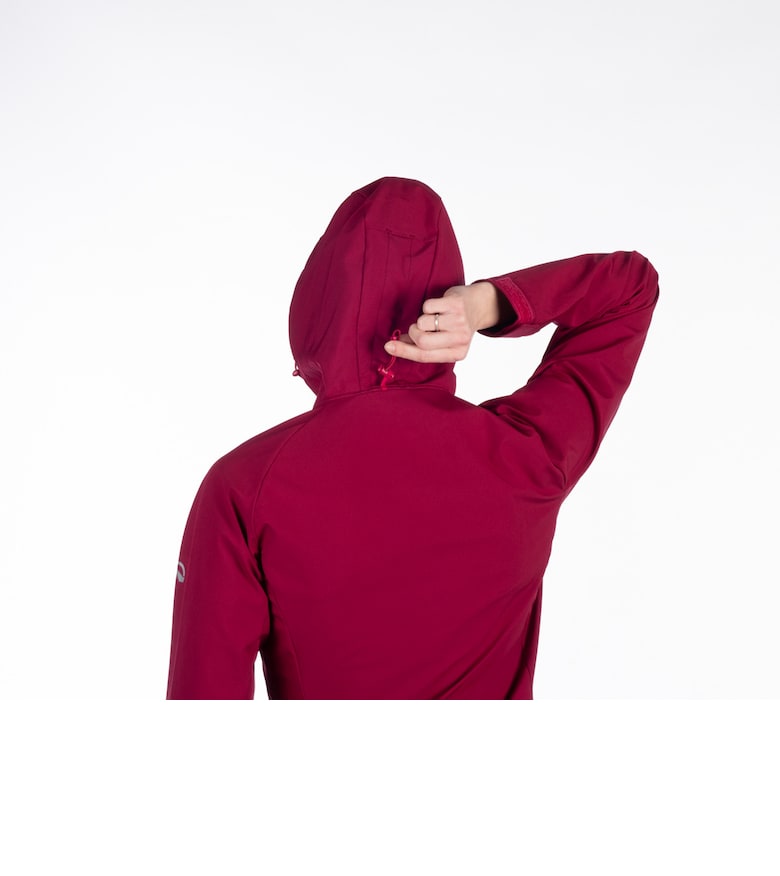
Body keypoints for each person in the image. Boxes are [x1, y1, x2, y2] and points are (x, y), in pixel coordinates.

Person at [166, 176, 659, 699]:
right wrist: (488, 304)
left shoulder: (245, 486)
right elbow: (629, 289)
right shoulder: (527, 453)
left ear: (318, 299)